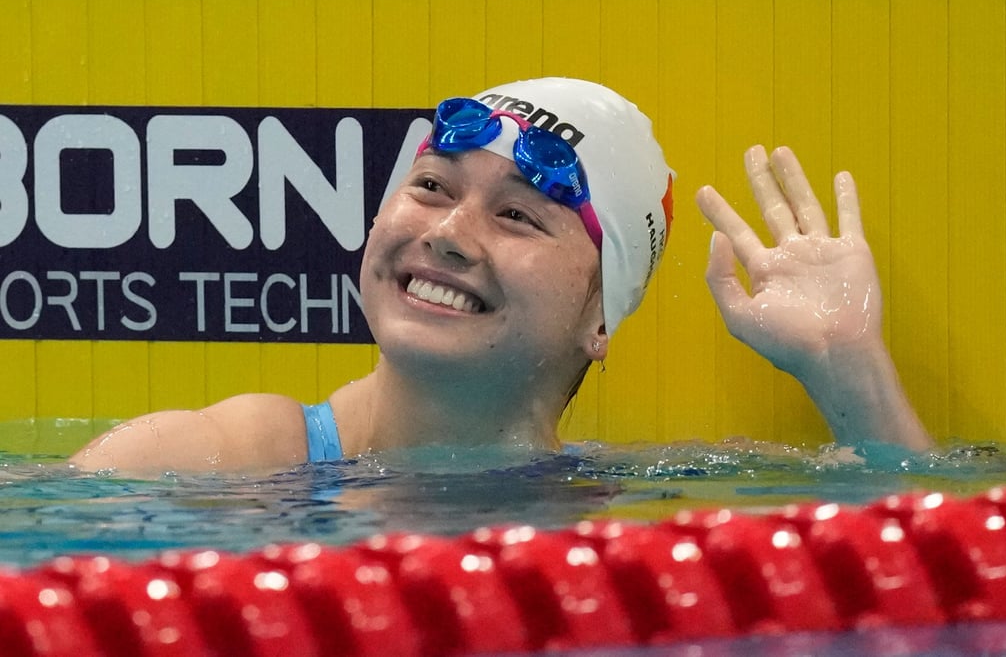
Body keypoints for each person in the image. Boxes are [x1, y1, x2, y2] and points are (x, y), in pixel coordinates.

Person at [69, 77, 931, 477]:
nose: (447, 234)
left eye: (517, 215)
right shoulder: (211, 465)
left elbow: (941, 583)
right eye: (432, 187)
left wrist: (847, 365)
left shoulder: (648, 493)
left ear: (603, 314)